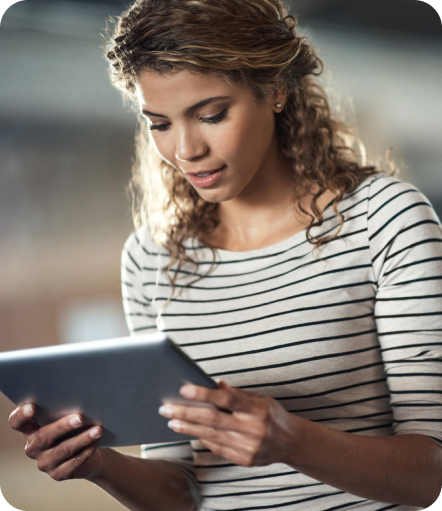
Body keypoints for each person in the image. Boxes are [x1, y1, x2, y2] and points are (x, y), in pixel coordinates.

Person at [8, 1, 442, 510]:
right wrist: (99, 465)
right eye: (160, 123)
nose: (186, 149)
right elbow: (183, 490)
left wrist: (293, 441)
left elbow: (430, 474)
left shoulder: (384, 220)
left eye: (211, 114)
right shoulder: (151, 258)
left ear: (275, 90)